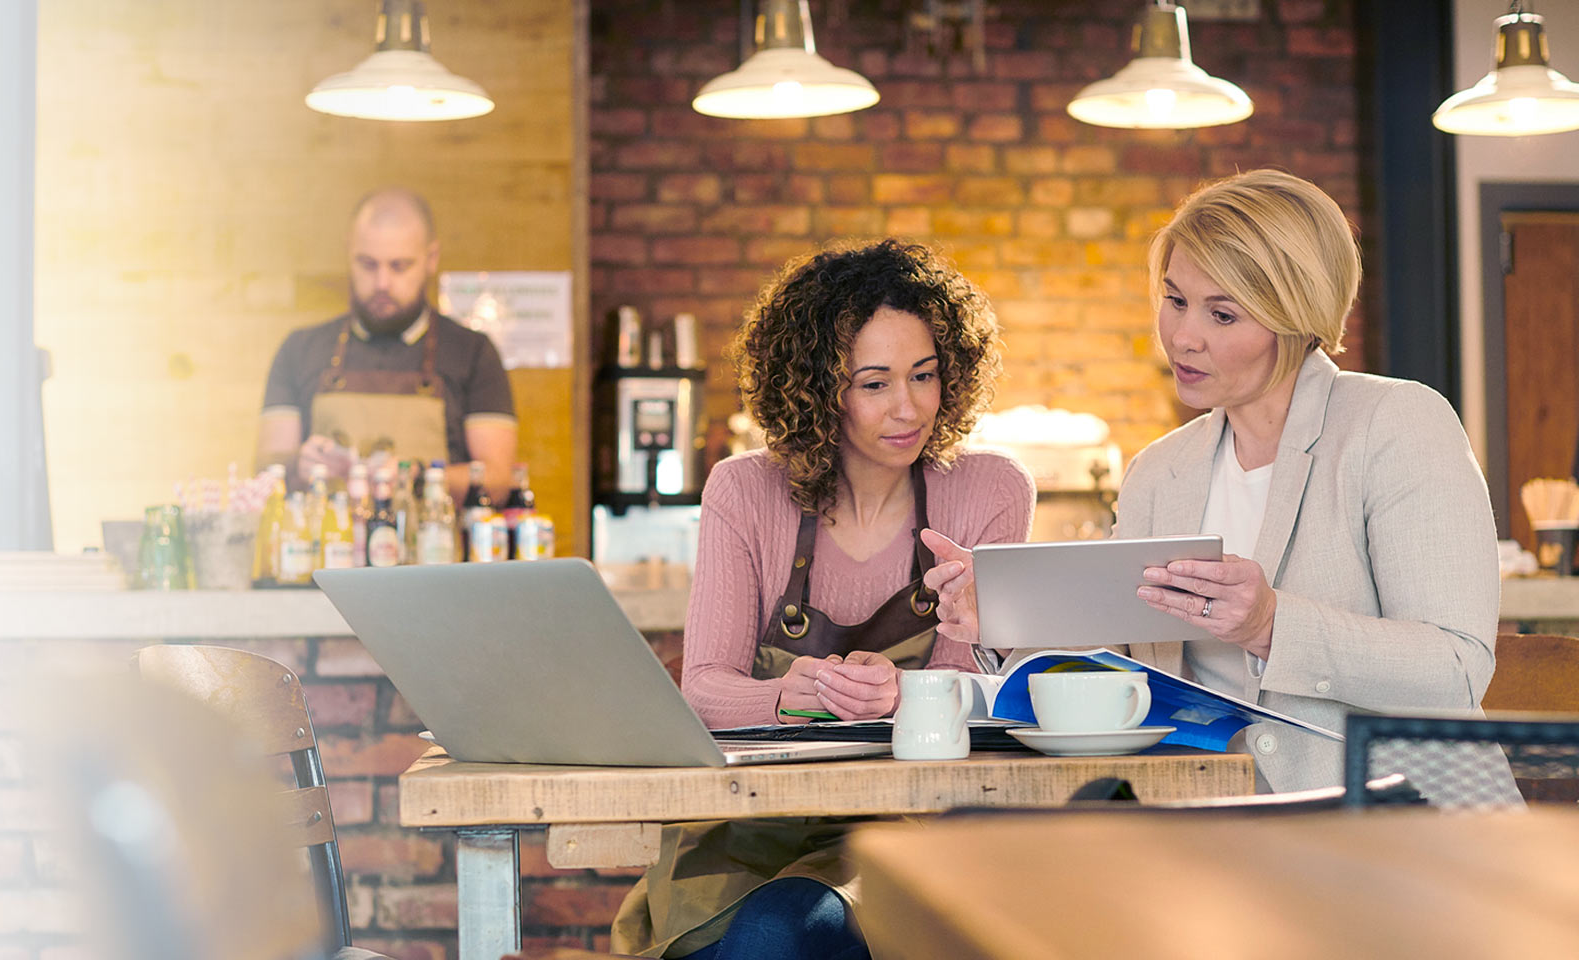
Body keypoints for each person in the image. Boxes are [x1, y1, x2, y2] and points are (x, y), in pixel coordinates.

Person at [932, 170, 1517, 803]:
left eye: (1223, 313)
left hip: (1400, 830)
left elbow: (1454, 672)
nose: (1184, 336)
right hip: (1217, 834)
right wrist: (1005, 619)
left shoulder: (1396, 424)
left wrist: (1271, 624)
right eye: (1175, 299)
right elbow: (1122, 664)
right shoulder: (1160, 470)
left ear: (1296, 318)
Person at [610, 240, 1035, 960]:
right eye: (874, 384)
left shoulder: (990, 492)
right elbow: (704, 688)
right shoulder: (744, 492)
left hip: (905, 830)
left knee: (777, 932)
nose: (908, 408)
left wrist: (905, 694)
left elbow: (986, 694)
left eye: (924, 375)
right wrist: (785, 694)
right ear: (814, 388)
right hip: (744, 836)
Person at [256, 188, 516, 500]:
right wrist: (301, 464)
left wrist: (415, 476)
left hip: (435, 545)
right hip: (330, 545)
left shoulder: (473, 353)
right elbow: (265, 473)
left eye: (399, 266)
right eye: (367, 264)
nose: (382, 283)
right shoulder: (299, 350)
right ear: (348, 254)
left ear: (431, 259)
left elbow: (498, 480)